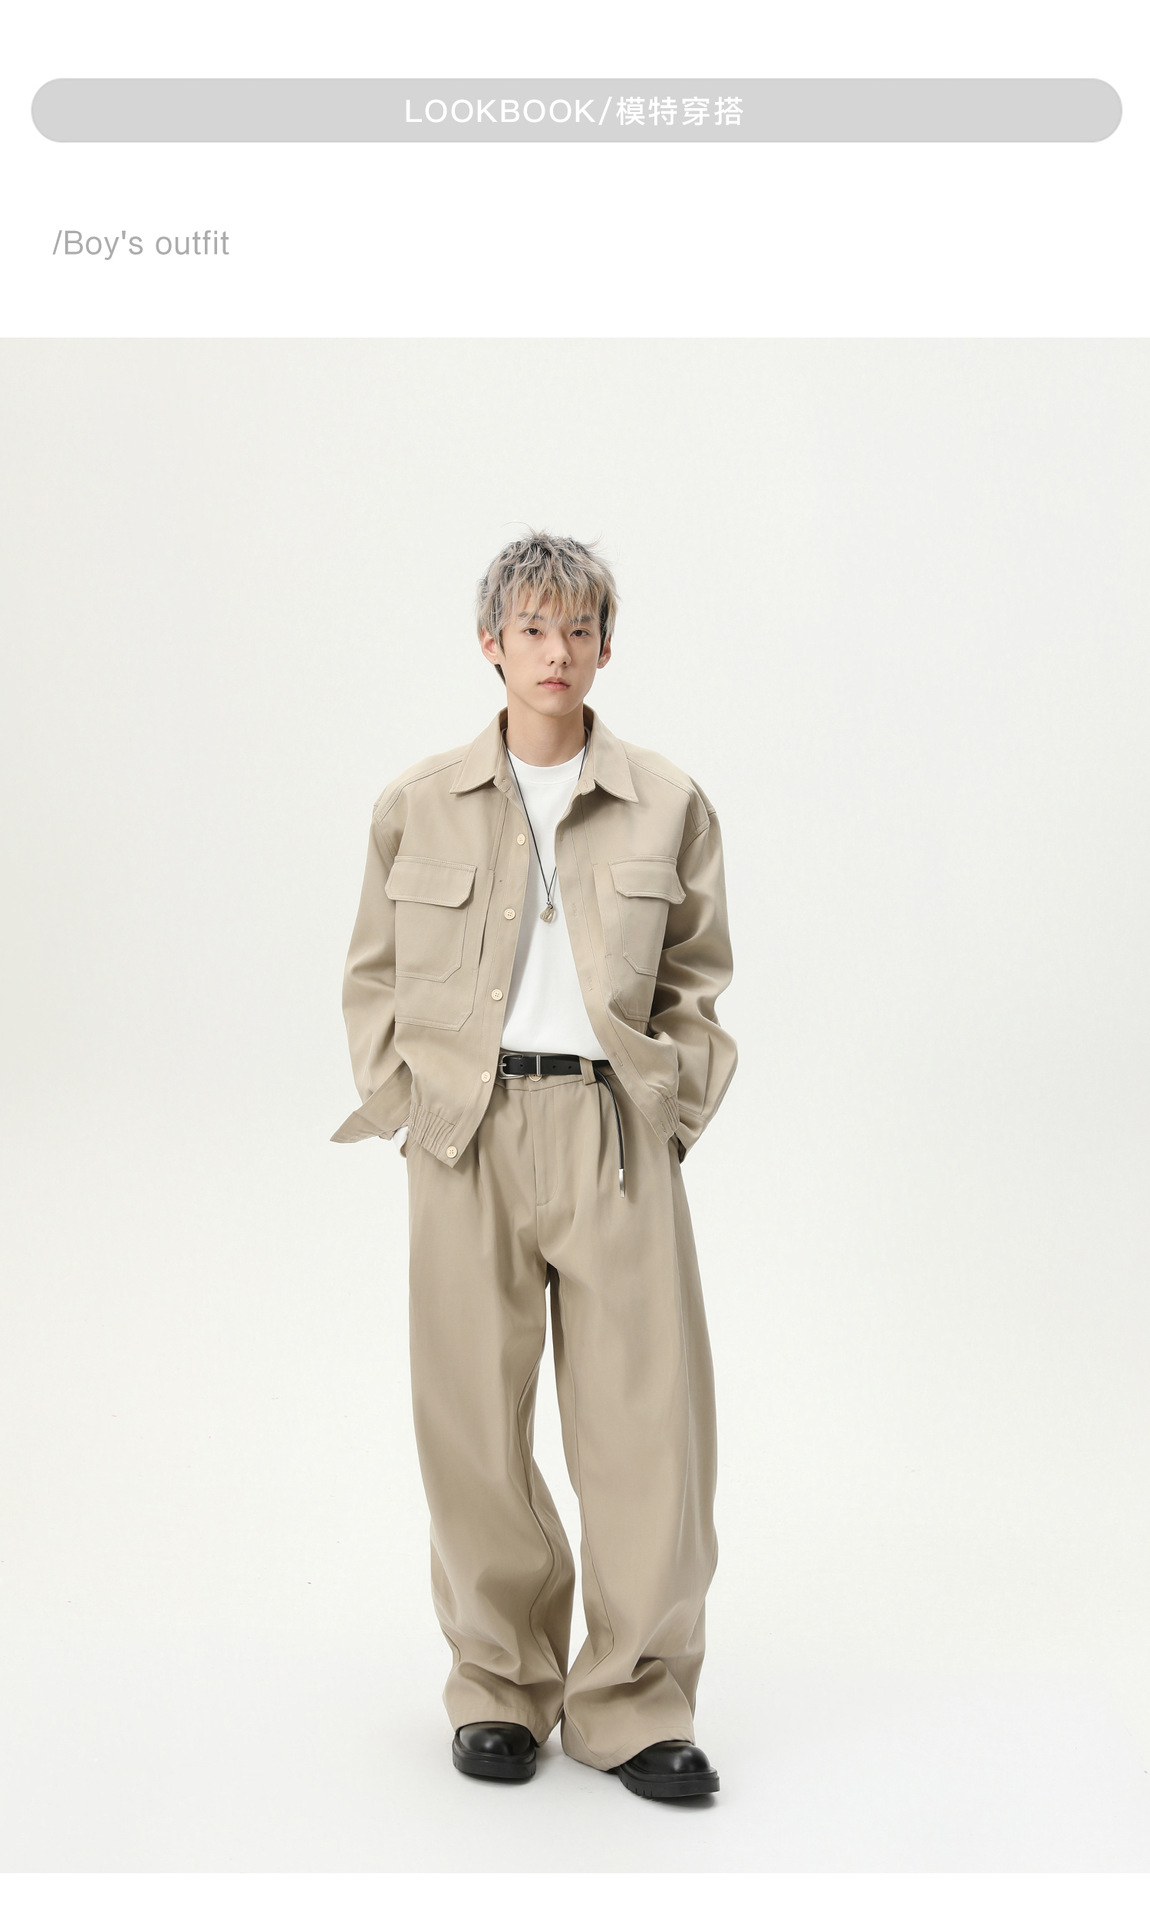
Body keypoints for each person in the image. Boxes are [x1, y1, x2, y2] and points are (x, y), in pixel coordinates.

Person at [332, 531, 738, 1799]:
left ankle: (634, 1704)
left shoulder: (668, 801)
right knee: (470, 1426)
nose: (554, 652)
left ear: (605, 646)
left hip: (614, 1141)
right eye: (531, 629)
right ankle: (501, 1684)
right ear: (491, 644)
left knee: (647, 1433)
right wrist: (411, 1108)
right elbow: (371, 976)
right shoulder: (416, 803)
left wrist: (668, 1114)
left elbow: (697, 979)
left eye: (577, 630)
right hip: (469, 1136)